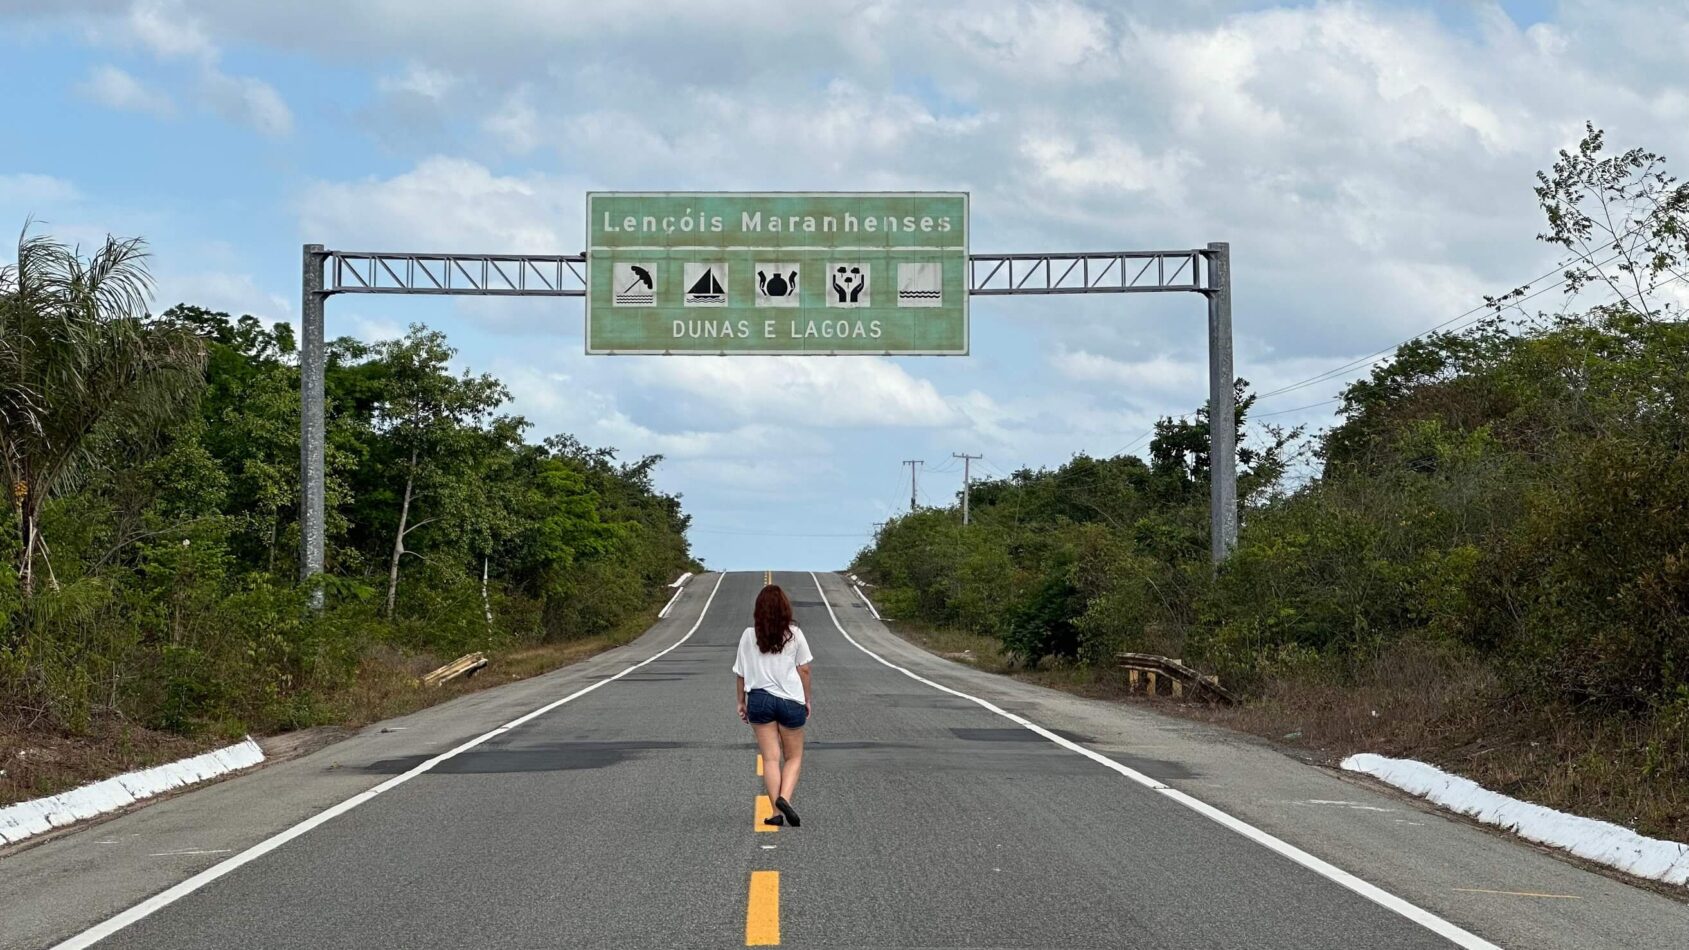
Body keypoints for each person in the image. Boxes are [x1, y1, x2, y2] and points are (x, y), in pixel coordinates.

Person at [733, 583, 813, 827]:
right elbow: (805, 669)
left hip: (759, 699)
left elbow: (740, 673)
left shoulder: (749, 635)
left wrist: (741, 701)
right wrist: (807, 699)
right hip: (791, 700)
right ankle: (784, 798)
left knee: (770, 758)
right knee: (794, 757)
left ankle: (775, 814)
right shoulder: (794, 634)